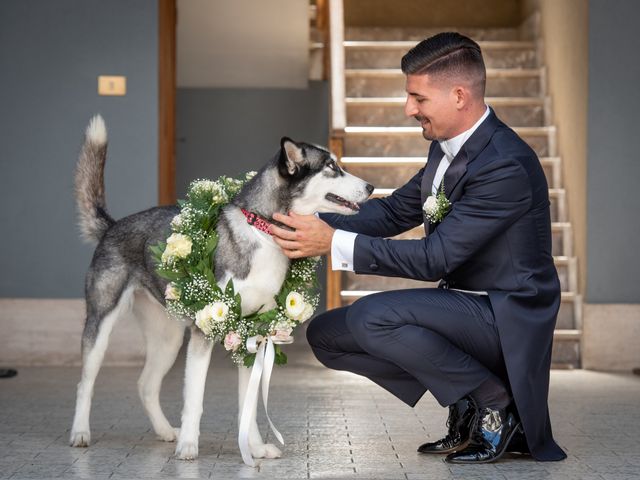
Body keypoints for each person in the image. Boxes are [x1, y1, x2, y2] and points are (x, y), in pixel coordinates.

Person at [269, 32, 566, 464]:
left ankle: (496, 403)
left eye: (418, 98)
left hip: (507, 313)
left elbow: (435, 259)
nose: (409, 109)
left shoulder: (506, 163)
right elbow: (391, 213)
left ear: (459, 95)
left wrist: (334, 242)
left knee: (374, 316)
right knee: (327, 336)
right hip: (462, 306)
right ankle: (467, 401)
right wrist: (298, 225)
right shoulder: (444, 150)